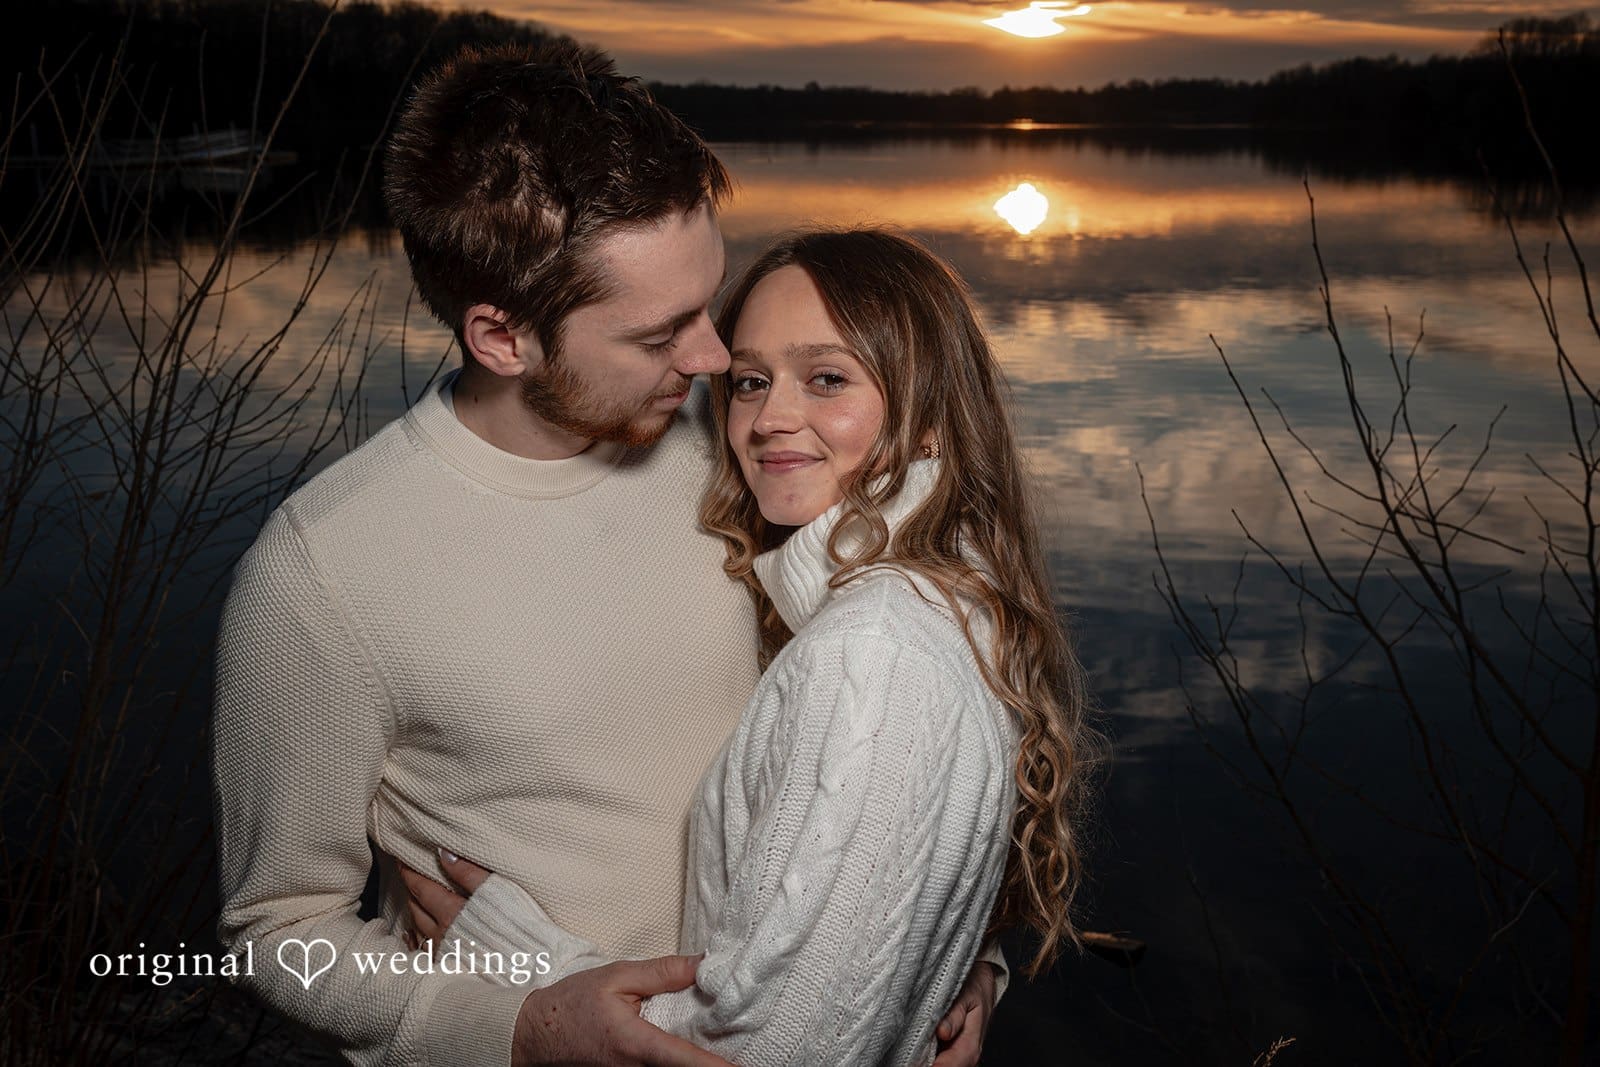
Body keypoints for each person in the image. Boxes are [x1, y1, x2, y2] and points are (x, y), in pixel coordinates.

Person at [211, 42, 1003, 1067]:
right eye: (660, 333)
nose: (717, 363)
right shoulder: (322, 572)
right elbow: (279, 934)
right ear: (502, 338)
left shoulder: (745, 458)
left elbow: (899, 743)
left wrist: (948, 953)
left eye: (708, 306)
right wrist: (519, 1026)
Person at [400, 229, 1099, 1066]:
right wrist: (962, 962)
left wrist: (522, 957)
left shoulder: (872, 654)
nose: (770, 418)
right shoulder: (949, 600)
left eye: (827, 378)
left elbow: (769, 1050)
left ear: (930, 424)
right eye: (751, 381)